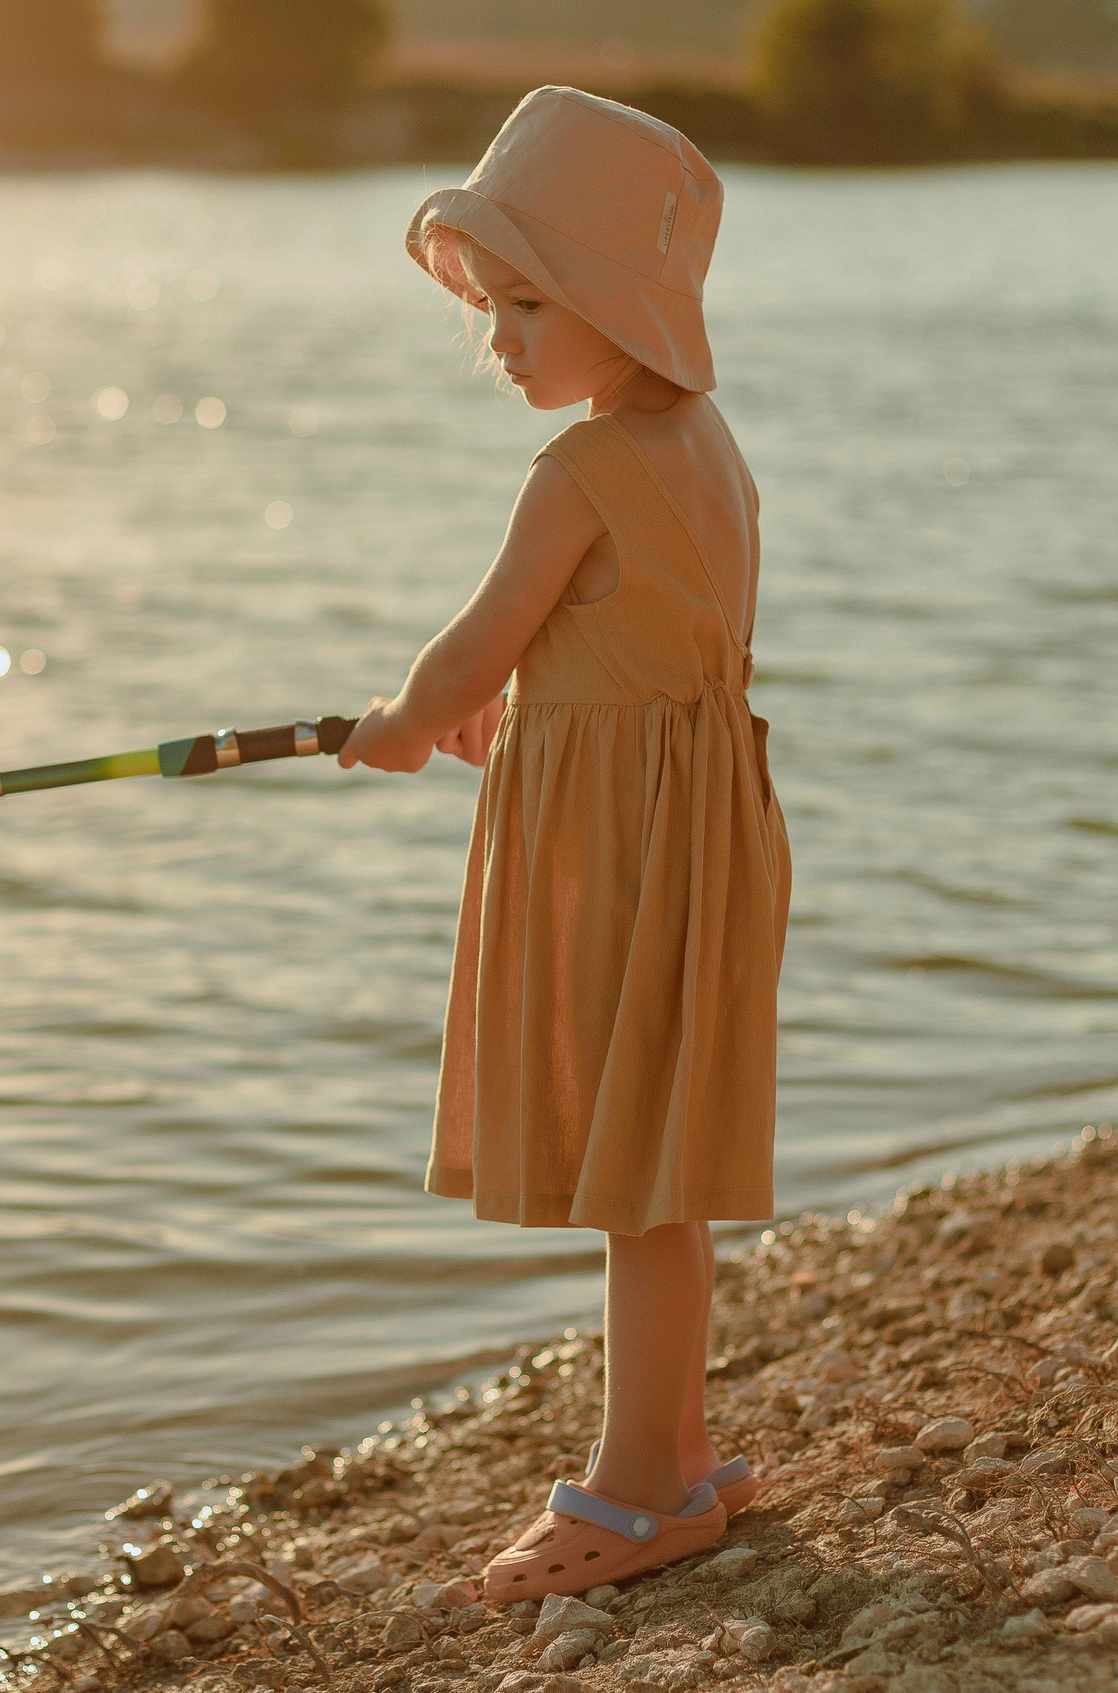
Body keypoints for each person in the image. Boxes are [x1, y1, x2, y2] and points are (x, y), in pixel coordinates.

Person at [337, 86, 793, 1600]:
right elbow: (636, 640)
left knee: (632, 1175)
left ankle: (641, 1488)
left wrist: (406, 721)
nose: (501, 340)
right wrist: (529, 700)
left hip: (619, 854)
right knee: (663, 1159)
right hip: (703, 830)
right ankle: (683, 1449)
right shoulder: (706, 445)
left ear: (616, 306)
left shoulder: (578, 473)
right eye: (493, 307)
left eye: (529, 304)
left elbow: (480, 644)